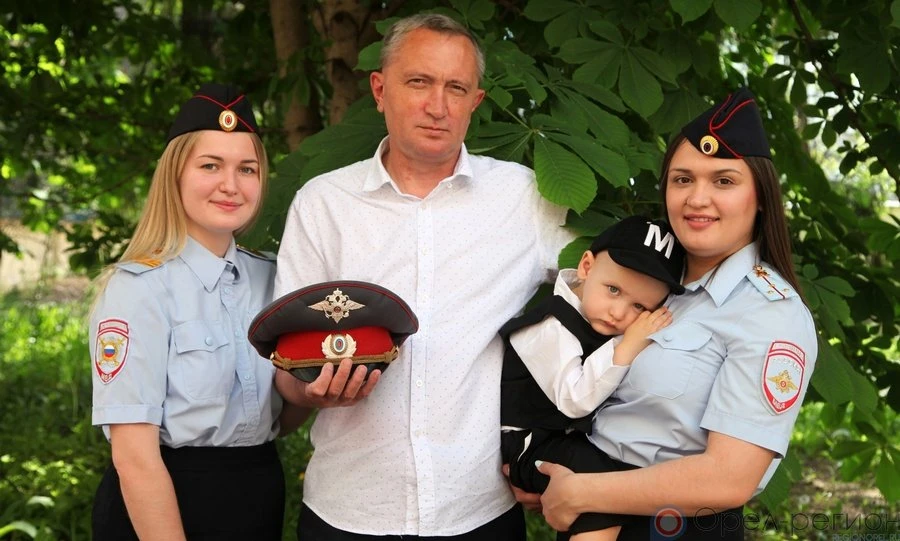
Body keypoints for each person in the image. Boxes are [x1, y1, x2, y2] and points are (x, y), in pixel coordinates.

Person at [273, 13, 573, 540]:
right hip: (349, 509)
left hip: (479, 509)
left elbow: (611, 304)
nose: (438, 106)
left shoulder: (526, 198)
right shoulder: (323, 204)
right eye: (419, 82)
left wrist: (563, 448)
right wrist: (313, 390)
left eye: (456, 88)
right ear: (379, 89)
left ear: (476, 102)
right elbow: (286, 370)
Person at [527, 88, 818, 540]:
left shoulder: (771, 315)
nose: (697, 198)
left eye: (723, 181)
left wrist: (581, 493)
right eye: (683, 180)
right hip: (591, 512)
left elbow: (729, 479)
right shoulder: (647, 281)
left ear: (760, 196)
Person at [89, 83, 303, 541]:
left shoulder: (275, 279)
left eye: (247, 169)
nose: (231, 185)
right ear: (175, 175)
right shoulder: (139, 289)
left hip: (257, 494)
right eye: (210, 165)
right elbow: (134, 457)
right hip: (162, 503)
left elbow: (281, 415)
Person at [500, 215, 685, 541]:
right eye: (613, 290)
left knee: (621, 469)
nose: (619, 312)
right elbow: (575, 400)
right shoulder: (550, 326)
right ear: (586, 267)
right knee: (593, 474)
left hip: (566, 439)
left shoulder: (595, 318)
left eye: (639, 307)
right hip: (528, 445)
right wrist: (626, 346)